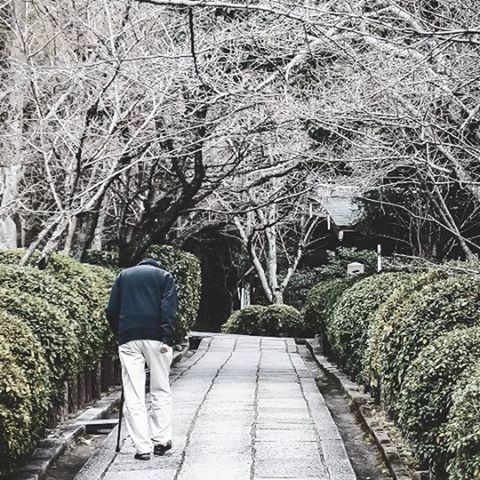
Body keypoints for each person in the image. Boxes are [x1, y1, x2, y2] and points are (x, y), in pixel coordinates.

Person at [106, 258, 177, 461]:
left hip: (129, 338)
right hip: (158, 339)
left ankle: (142, 447)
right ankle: (161, 441)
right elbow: (169, 311)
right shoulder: (165, 277)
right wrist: (167, 337)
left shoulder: (123, 276)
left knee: (134, 392)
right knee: (160, 388)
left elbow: (111, 310)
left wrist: (119, 333)